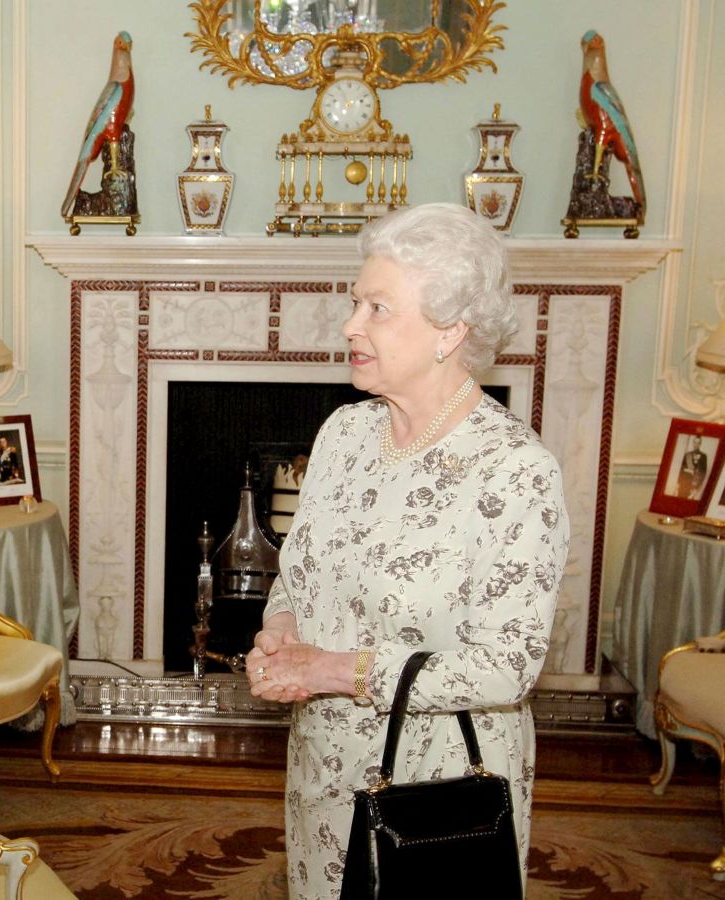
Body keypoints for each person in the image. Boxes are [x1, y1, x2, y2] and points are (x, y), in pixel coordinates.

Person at [245, 203, 570, 899]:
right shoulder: (343, 434)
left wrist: (335, 668)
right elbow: (299, 575)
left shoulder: (516, 471)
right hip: (323, 763)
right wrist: (281, 633)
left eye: (378, 308)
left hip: (440, 784)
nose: (350, 324)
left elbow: (506, 668)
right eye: (356, 302)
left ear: (450, 330)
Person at [676, 434, 708, 499]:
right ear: (693, 443)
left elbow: (703, 473)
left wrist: (697, 487)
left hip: (693, 483)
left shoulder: (703, 456)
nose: (696, 444)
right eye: (694, 442)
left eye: (698, 443)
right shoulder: (687, 454)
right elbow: (681, 469)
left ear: (700, 444)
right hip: (684, 481)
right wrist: (678, 482)